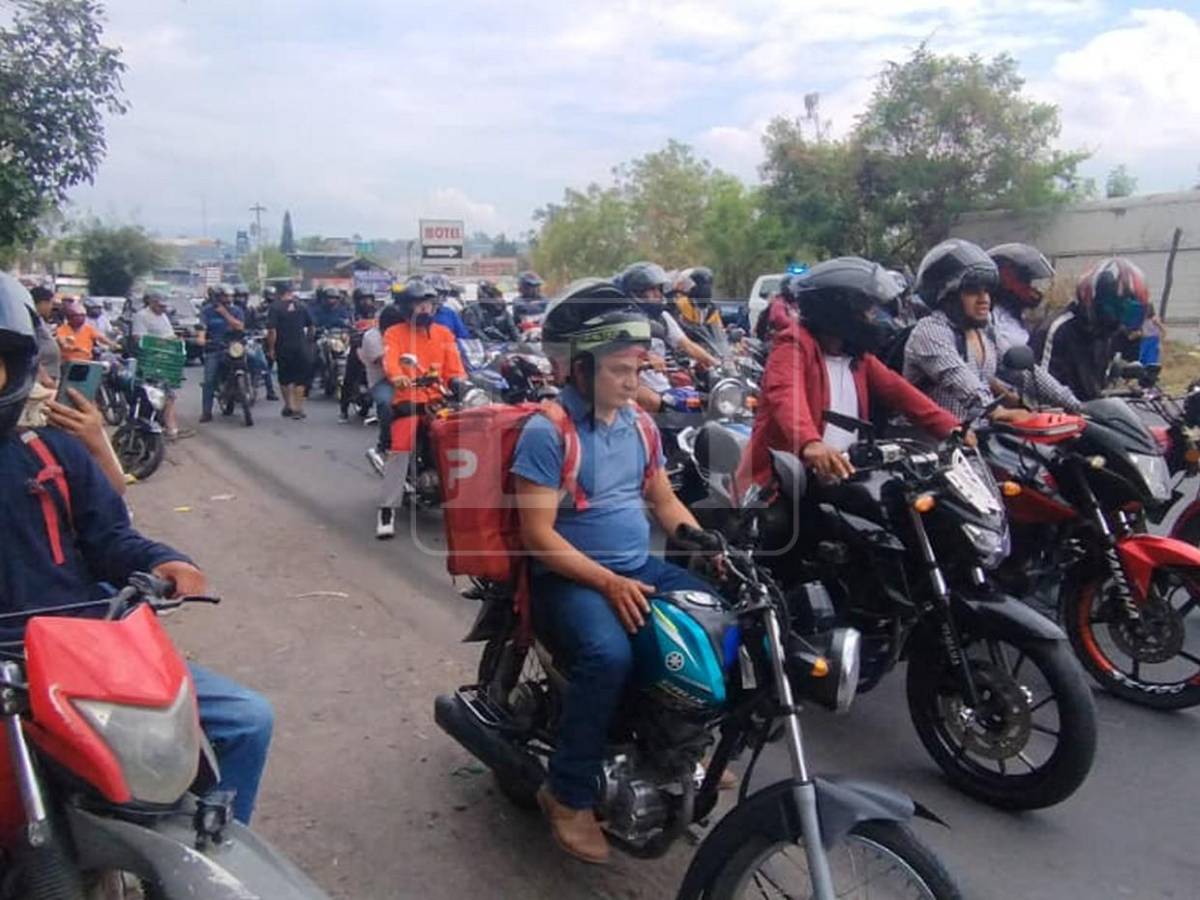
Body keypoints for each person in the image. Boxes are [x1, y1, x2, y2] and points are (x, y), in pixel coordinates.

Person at [0, 273, 273, 824]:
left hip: (80, 652)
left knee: (246, 718)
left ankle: (213, 842)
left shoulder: (50, 452)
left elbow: (110, 535)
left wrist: (165, 561)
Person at [512, 290, 714, 864]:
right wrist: (606, 583)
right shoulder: (548, 432)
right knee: (609, 657)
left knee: (717, 620)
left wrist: (701, 541)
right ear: (581, 370)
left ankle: (678, 749)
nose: (633, 382)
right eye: (620, 371)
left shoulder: (640, 427)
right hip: (570, 579)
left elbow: (664, 500)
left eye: (637, 370)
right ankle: (568, 794)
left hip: (636, 569)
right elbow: (539, 537)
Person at [740, 257, 961, 487]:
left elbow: (897, 389)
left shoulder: (854, 354)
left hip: (842, 474)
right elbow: (785, 394)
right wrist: (810, 443)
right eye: (868, 311)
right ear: (840, 311)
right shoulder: (794, 344)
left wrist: (950, 427)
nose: (875, 319)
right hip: (786, 483)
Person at [902, 239, 1042, 425]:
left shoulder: (985, 332)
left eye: (987, 291)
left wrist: (1077, 407)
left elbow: (1026, 373)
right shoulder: (930, 331)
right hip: (931, 444)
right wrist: (996, 410)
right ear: (948, 295)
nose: (984, 299)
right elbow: (958, 378)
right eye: (972, 291)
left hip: (976, 441)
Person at [376, 283, 466, 538]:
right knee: (401, 449)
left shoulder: (444, 333)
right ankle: (386, 510)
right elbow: (391, 360)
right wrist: (398, 377)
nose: (426, 308)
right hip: (409, 400)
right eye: (420, 304)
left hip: (440, 400)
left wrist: (460, 382)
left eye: (429, 304)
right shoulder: (394, 332)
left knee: (469, 436)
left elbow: (455, 367)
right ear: (407, 307)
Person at [1031, 257, 1152, 402]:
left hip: (1092, 417)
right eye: (1115, 308)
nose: (1118, 321)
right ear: (1094, 299)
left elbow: (1099, 389)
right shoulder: (1057, 330)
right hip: (1060, 419)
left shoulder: (1104, 334)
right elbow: (1038, 389)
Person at [986, 243, 1081, 410]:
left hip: (1030, 407)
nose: (1033, 289)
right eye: (1025, 280)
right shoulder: (992, 322)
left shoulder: (1014, 321)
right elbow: (1025, 373)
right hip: (1001, 413)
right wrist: (1072, 404)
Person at [618, 261, 720, 413]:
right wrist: (646, 356)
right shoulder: (623, 320)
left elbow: (687, 344)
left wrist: (716, 363)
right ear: (636, 293)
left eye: (659, 289)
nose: (659, 294)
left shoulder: (663, 317)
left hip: (664, 387)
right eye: (652, 290)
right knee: (657, 404)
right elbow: (617, 353)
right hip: (637, 387)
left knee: (705, 405)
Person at [131, 291, 192, 440]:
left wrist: (176, 340)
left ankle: (171, 428)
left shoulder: (163, 316)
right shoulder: (142, 316)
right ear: (152, 303)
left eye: (164, 306)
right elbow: (138, 338)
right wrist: (160, 343)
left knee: (169, 395)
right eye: (160, 306)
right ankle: (164, 428)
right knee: (152, 396)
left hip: (165, 360)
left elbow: (169, 335)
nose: (163, 309)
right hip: (150, 361)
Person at [361, 302, 405, 476]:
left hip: (411, 377)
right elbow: (386, 363)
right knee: (387, 404)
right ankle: (385, 442)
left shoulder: (407, 333)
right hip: (383, 381)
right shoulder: (372, 337)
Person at [196, 286, 246, 423]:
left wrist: (225, 314)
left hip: (233, 347)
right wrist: (201, 338)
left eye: (230, 296)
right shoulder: (207, 311)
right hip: (214, 347)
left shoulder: (236, 310)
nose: (228, 299)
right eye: (225, 296)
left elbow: (240, 326)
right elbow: (202, 327)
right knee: (209, 380)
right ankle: (206, 412)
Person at [266, 283, 314, 419]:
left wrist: (271, 348)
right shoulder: (302, 306)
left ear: (278, 293)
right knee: (301, 378)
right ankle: (298, 408)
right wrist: (309, 342)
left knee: (285, 377)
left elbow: (272, 331)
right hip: (301, 346)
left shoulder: (274, 308)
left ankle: (288, 405)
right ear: (290, 292)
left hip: (283, 347)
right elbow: (311, 326)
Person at [338, 289, 378, 424]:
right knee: (349, 378)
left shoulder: (378, 314)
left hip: (375, 351)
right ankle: (343, 410)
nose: (367, 302)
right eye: (363, 299)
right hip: (358, 350)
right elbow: (346, 328)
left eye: (369, 299)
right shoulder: (352, 314)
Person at [231, 288, 278, 402]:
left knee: (263, 363)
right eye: (238, 297)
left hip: (249, 341)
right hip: (232, 343)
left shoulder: (251, 311)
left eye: (242, 297)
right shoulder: (230, 311)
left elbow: (259, 324)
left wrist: (261, 331)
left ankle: (270, 391)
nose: (240, 300)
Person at [56, 300, 116, 364]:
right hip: (69, 362)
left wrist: (113, 344)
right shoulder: (62, 329)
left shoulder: (88, 328)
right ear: (70, 317)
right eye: (77, 316)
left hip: (87, 361)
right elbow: (63, 343)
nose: (80, 318)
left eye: (82, 316)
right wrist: (76, 349)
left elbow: (100, 338)